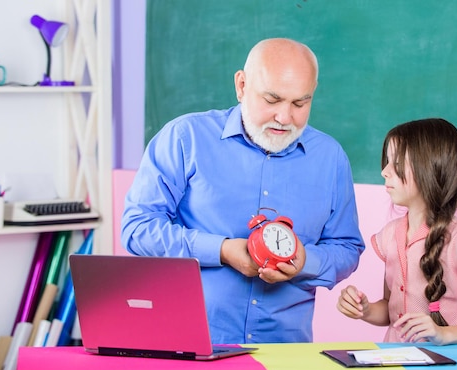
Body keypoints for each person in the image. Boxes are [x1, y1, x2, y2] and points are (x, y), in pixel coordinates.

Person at [121, 38, 365, 344]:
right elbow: (137, 229)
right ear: (241, 85)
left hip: (284, 354)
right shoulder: (185, 139)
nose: (285, 117)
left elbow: (346, 248)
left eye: (300, 103)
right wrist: (222, 250)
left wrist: (305, 261)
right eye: (272, 99)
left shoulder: (330, 158)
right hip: (189, 346)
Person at [336, 118, 457, 345]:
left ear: (429, 169)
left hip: (444, 365)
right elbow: (391, 309)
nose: (384, 171)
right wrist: (365, 310)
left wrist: (445, 334)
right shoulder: (390, 236)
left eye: (396, 164)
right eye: (386, 162)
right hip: (395, 363)